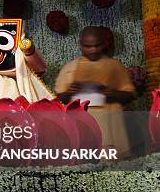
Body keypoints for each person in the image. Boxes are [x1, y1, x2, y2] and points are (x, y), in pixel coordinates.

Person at [55, 26, 136, 157]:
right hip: (83, 127)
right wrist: (69, 93)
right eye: (88, 46)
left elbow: (130, 95)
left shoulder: (114, 66)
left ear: (104, 44)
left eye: (97, 45)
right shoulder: (70, 68)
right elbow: (58, 100)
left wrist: (111, 93)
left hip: (110, 126)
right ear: (81, 45)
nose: (93, 50)